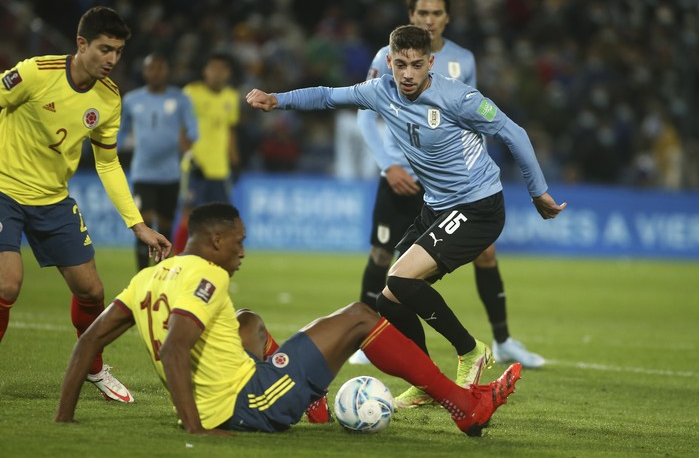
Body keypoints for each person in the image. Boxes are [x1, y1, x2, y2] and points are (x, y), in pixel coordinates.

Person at [246, 24, 566, 408]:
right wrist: (275, 99)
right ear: (389, 62)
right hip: (436, 206)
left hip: (477, 205)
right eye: (401, 64)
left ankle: (471, 351)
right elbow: (329, 96)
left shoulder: (459, 98)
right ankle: (427, 380)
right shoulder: (380, 91)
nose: (409, 74)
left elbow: (514, 133)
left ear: (431, 62)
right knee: (390, 298)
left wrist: (538, 191)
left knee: (399, 277)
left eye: (417, 65)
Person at [55, 202, 522, 437]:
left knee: (247, 321)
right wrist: (197, 429)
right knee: (361, 315)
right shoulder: (207, 276)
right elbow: (176, 347)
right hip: (248, 404)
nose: (242, 250)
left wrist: (64, 420)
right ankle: (464, 407)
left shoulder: (149, 278)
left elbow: (84, 345)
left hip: (235, 392)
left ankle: (311, 400)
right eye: (237, 241)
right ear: (215, 240)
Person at [353, 0, 545, 376]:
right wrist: (389, 165)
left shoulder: (463, 61)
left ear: (447, 18)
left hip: (450, 189)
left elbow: (478, 121)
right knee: (385, 258)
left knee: (482, 256)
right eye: (422, 12)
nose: (429, 19)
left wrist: (472, 173)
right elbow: (362, 113)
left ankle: (502, 341)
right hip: (400, 178)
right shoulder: (386, 57)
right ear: (410, 15)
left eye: (436, 13)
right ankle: (369, 335)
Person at [0, 6, 171, 403]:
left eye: (119, 51)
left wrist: (137, 224)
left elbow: (108, 162)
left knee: (92, 291)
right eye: (105, 48)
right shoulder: (35, 72)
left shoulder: (109, 100)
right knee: (7, 282)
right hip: (5, 190)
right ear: (81, 44)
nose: (112, 59)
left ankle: (93, 366)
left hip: (53, 199)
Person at [118, 53, 198, 270]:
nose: (156, 73)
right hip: (143, 173)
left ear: (167, 71)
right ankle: (141, 276)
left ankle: (160, 277)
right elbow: (120, 132)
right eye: (151, 68)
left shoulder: (180, 99)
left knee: (164, 228)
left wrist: (189, 139)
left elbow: (193, 128)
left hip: (171, 174)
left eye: (160, 68)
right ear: (144, 72)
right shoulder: (132, 100)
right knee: (144, 224)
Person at [172, 53, 240, 254]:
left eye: (222, 70)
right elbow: (181, 128)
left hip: (220, 168)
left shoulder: (231, 97)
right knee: (189, 214)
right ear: (205, 71)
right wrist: (189, 156)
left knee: (222, 218)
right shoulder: (191, 93)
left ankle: (214, 260)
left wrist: (235, 161)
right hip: (195, 166)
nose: (217, 74)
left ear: (227, 73)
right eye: (213, 69)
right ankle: (178, 259)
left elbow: (230, 131)